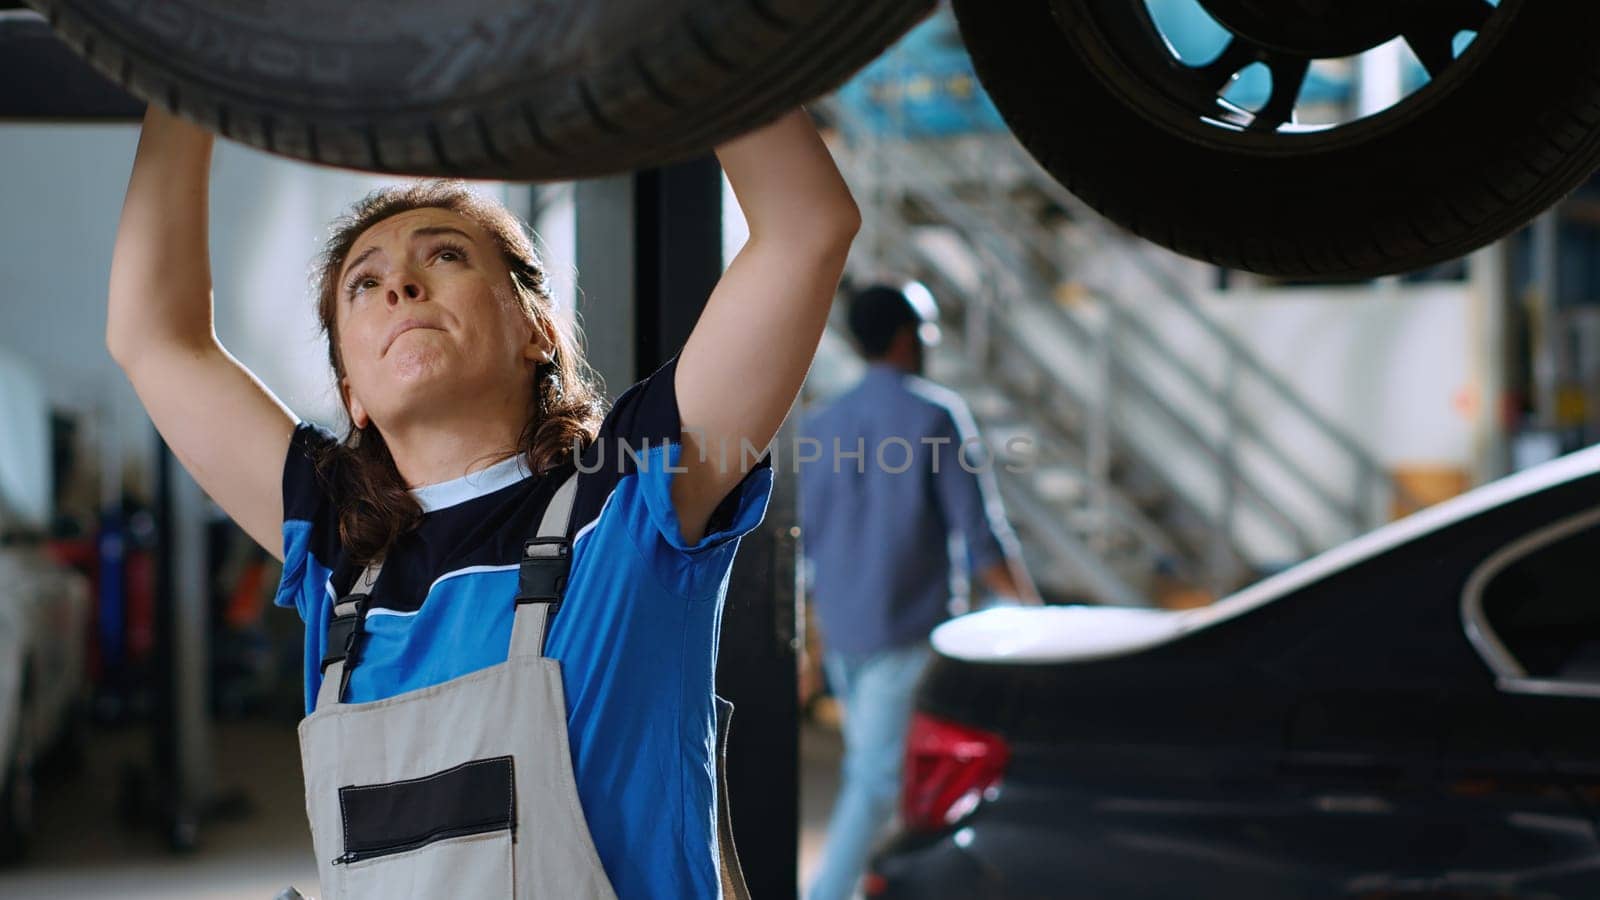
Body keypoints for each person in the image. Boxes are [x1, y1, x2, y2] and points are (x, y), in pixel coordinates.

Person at [107, 104, 859, 899]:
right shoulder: (338, 553)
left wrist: (697, 40)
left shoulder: (630, 493)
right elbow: (154, 336)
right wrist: (179, 78)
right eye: (364, 283)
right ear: (351, 392)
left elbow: (807, 228)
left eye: (446, 256)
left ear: (536, 329)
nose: (399, 283)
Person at [800, 283, 1040, 900]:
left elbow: (811, 545)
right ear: (909, 337)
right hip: (907, 629)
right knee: (879, 778)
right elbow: (981, 535)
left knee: (890, 771)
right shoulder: (935, 413)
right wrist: (1033, 616)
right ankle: (826, 893)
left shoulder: (823, 422)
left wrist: (815, 641)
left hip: (848, 628)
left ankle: (894, 885)